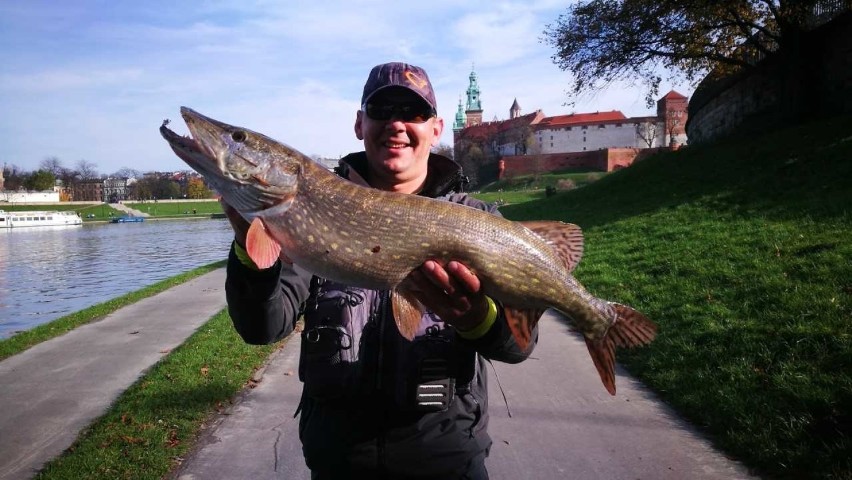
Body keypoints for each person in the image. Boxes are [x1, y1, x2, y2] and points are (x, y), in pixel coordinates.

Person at [222, 62, 538, 479]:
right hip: (339, 465)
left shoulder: (478, 219)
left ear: (436, 128)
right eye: (382, 110)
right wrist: (250, 254)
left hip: (447, 463)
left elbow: (519, 345)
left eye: (413, 113)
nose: (397, 124)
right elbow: (262, 327)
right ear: (360, 123)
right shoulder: (311, 215)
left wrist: (477, 320)